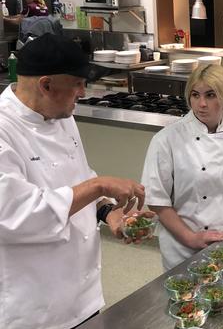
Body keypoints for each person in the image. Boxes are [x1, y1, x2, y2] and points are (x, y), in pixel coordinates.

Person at [0, 33, 146, 329]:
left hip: (84, 294)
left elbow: (79, 178)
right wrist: (99, 186)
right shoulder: (5, 130)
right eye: (77, 83)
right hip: (36, 306)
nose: (83, 91)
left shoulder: (62, 114)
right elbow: (16, 215)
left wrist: (108, 212)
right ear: (46, 84)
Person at [141, 64, 223, 270]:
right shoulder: (166, 140)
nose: (201, 104)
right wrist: (190, 238)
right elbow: (157, 200)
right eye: (195, 95)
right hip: (183, 247)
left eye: (211, 95)